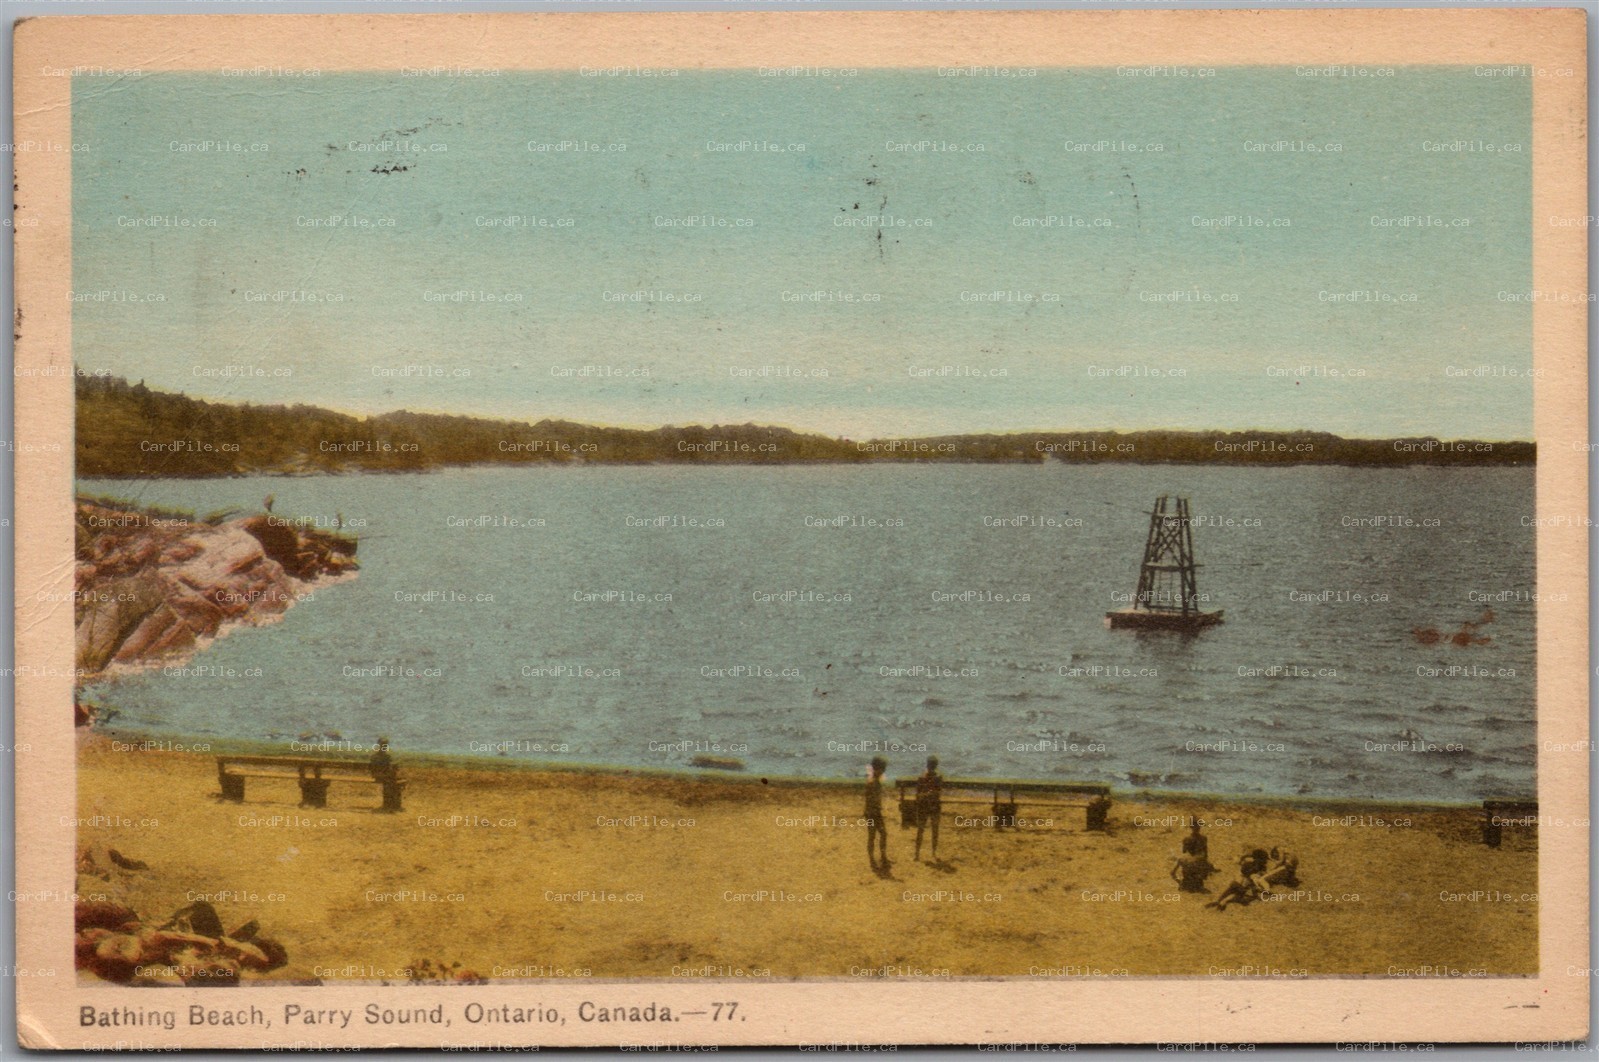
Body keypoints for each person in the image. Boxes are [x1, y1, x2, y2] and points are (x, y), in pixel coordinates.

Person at [1171, 819, 1216, 893]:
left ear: (1191, 827)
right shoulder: (1204, 838)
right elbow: (1205, 853)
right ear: (1200, 827)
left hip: (1186, 878)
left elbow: (1184, 851)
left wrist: (1179, 882)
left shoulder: (1186, 839)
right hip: (1199, 873)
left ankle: (1185, 883)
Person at [913, 755, 943, 863]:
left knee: (922, 830)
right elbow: (937, 793)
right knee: (933, 830)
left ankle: (918, 853)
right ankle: (931, 852)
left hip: (925, 806)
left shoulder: (922, 777)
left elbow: (918, 794)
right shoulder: (937, 777)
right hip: (933, 806)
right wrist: (929, 794)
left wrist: (925, 795)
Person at [864, 757, 889, 873]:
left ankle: (880, 856)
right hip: (872, 812)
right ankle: (874, 857)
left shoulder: (875, 781)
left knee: (880, 834)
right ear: (876, 769)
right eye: (882, 770)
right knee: (874, 835)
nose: (883, 772)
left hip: (874, 812)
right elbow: (869, 799)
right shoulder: (872, 782)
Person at [369, 736, 403, 813]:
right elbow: (390, 768)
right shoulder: (386, 757)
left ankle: (390, 804)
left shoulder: (374, 756)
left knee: (394, 780)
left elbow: (372, 769)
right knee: (393, 781)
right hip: (382, 776)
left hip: (376, 775)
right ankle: (391, 804)